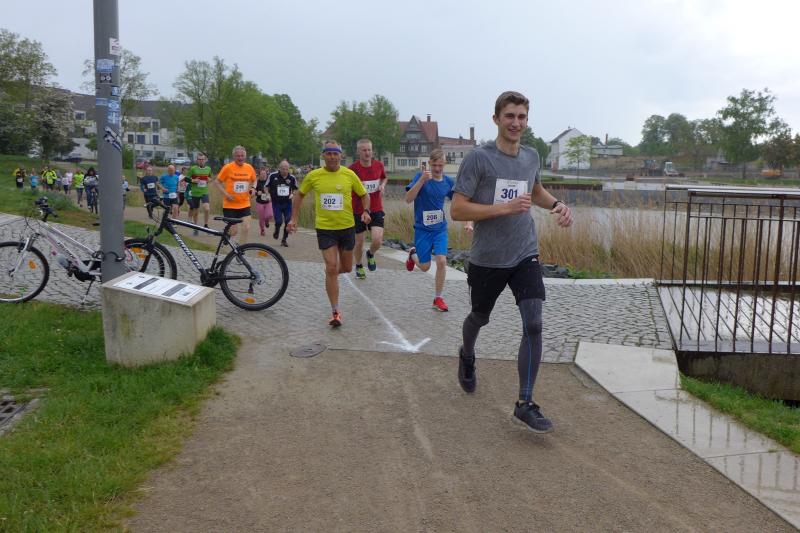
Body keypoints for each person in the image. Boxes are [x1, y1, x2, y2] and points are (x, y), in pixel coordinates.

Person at [450, 91, 574, 434]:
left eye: (521, 117)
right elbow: (457, 209)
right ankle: (467, 354)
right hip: (488, 258)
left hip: (524, 252)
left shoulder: (531, 156)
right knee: (479, 317)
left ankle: (525, 402)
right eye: (510, 116)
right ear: (496, 119)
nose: (516, 123)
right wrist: (502, 208)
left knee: (534, 324)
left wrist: (556, 205)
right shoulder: (479, 159)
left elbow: (535, 191)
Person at [287, 140, 370, 327]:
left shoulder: (349, 174)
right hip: (325, 229)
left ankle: (330, 274)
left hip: (347, 227)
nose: (332, 157)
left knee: (347, 268)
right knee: (332, 267)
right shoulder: (314, 175)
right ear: (323, 155)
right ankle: (335, 312)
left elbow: (364, 195)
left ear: (341, 155)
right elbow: (299, 195)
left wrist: (366, 211)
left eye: (335, 153)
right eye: (328, 153)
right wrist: (294, 218)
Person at [405, 149, 471, 312]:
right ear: (429, 163)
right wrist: (421, 180)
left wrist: (468, 222)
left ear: (444, 164)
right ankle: (413, 254)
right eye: (434, 165)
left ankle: (438, 298)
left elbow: (461, 203)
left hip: (440, 229)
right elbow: (408, 199)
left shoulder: (448, 182)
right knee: (425, 267)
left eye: (440, 165)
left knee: (441, 261)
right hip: (422, 229)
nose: (437, 169)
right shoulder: (420, 177)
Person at [349, 139, 388, 279]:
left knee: (377, 240)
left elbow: (384, 178)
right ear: (358, 152)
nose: (367, 153)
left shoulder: (379, 165)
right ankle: (359, 265)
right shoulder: (352, 169)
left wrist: (382, 185)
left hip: (376, 208)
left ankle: (370, 254)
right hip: (357, 210)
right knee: (359, 243)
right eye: (364, 150)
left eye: (369, 150)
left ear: (372, 151)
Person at [214, 145, 257, 244]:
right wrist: (226, 194)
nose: (240, 158)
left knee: (246, 227)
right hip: (230, 205)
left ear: (245, 156)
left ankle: (241, 249)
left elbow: (255, 180)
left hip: (244, 203)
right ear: (234, 156)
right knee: (234, 231)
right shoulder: (228, 167)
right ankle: (227, 234)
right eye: (238, 156)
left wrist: (254, 188)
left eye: (242, 156)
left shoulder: (249, 167)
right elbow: (217, 182)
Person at [267, 160, 298, 247]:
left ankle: (284, 239)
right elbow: (266, 186)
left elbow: (296, 189)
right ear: (279, 168)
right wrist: (268, 194)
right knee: (279, 221)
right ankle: (277, 229)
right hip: (276, 203)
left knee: (288, 221)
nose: (285, 171)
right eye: (283, 169)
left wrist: (292, 194)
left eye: (286, 169)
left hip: (287, 203)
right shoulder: (272, 176)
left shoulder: (292, 178)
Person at [186, 153, 212, 235]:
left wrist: (209, 180)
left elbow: (210, 177)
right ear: (197, 160)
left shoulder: (208, 169)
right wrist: (193, 180)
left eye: (202, 159)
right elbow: (186, 179)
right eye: (199, 159)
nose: (201, 161)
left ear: (205, 160)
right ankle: (196, 227)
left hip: (204, 192)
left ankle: (206, 225)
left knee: (207, 208)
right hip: (195, 193)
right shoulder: (193, 169)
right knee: (196, 211)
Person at [254, 168, 274, 236]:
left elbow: (273, 190)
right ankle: (262, 229)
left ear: (267, 175)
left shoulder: (269, 182)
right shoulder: (256, 182)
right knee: (261, 217)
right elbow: (252, 191)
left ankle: (267, 220)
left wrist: (270, 194)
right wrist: (257, 193)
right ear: (259, 175)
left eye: (264, 174)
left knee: (270, 215)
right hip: (259, 202)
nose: (263, 175)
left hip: (268, 201)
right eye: (262, 174)